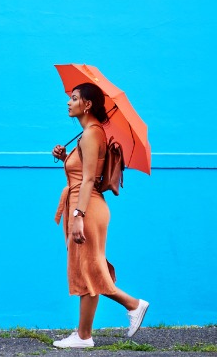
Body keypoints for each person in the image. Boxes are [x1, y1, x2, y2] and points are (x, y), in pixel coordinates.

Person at [51, 82, 148, 348]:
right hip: (84, 205)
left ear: (88, 104)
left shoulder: (92, 134)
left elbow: (89, 179)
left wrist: (78, 215)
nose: (69, 102)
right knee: (87, 268)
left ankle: (133, 304)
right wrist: (64, 158)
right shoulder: (87, 135)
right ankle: (83, 335)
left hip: (87, 207)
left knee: (91, 268)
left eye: (74, 98)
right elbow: (81, 172)